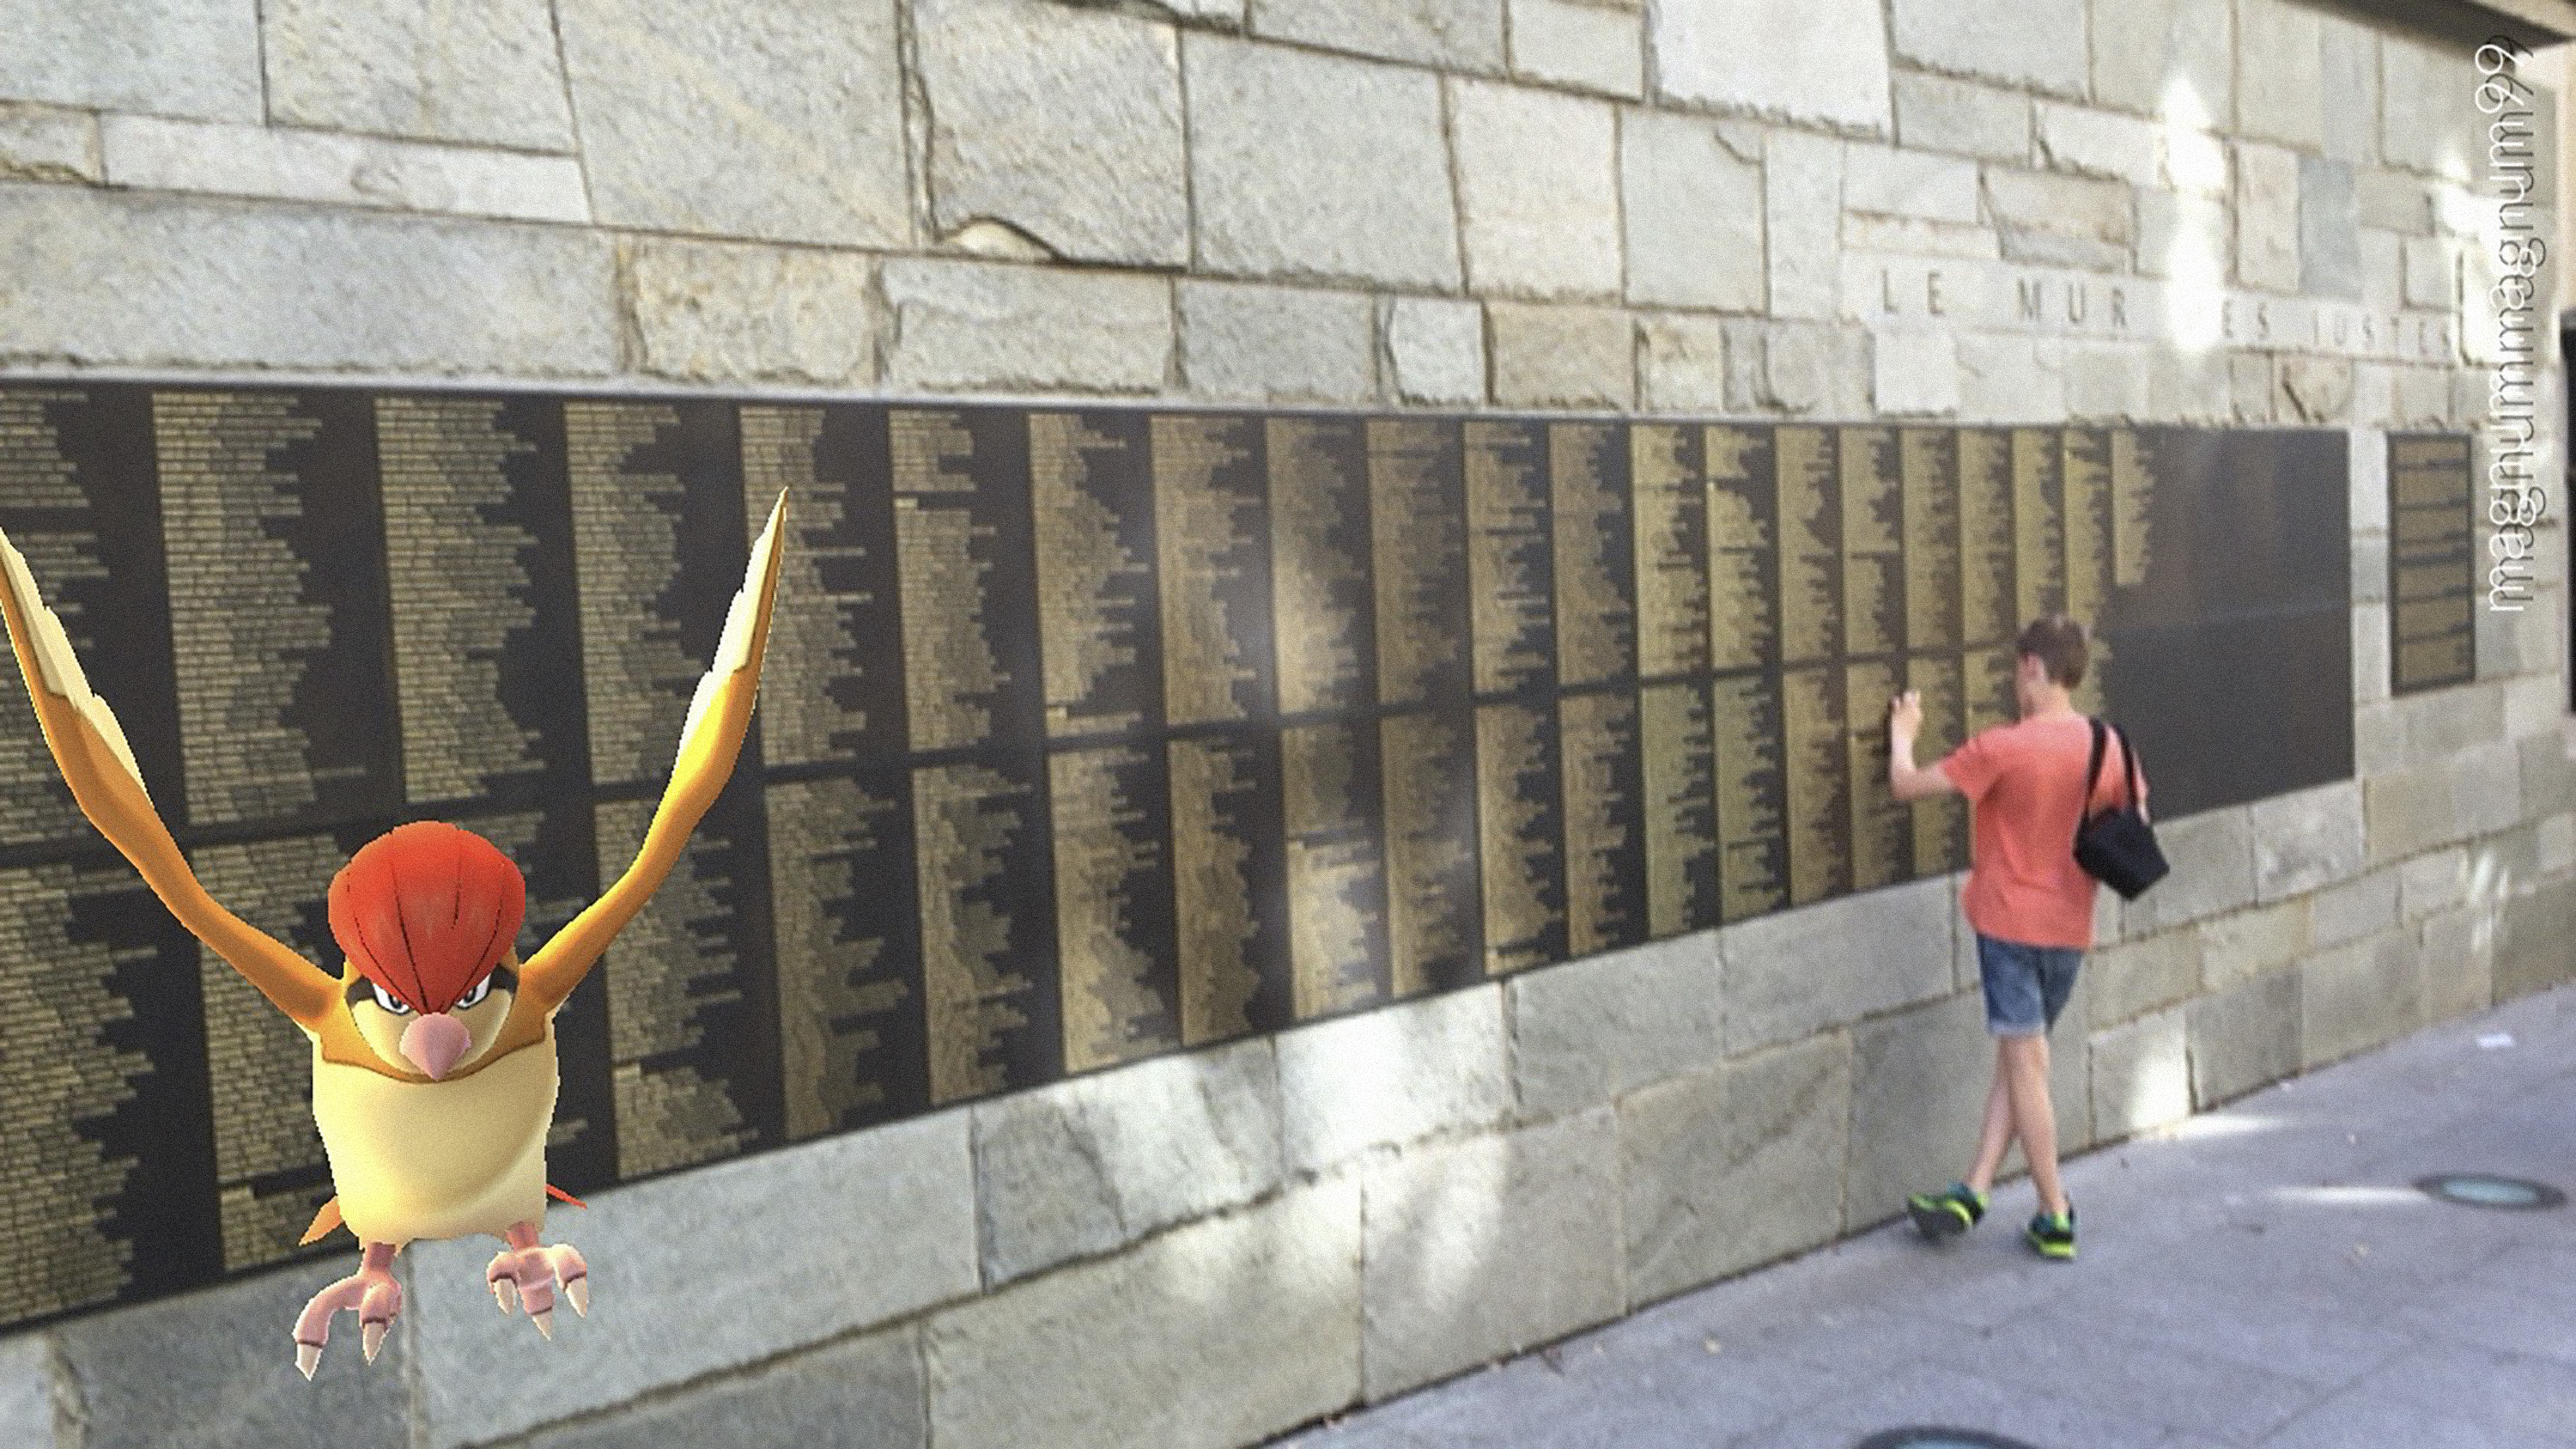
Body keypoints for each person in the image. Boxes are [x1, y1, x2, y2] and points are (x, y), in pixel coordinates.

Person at [1883, 614, 2146, 1261]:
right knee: (2020, 1058)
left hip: (2007, 929)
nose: (2012, 682)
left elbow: (1905, 785)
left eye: (2015, 670)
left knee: (2026, 1064)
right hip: (2068, 932)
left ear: (2033, 666)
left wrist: (1902, 734)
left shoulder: (2001, 747)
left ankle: (2055, 1212)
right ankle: (1973, 1190)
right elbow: (2136, 817)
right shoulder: (2110, 745)